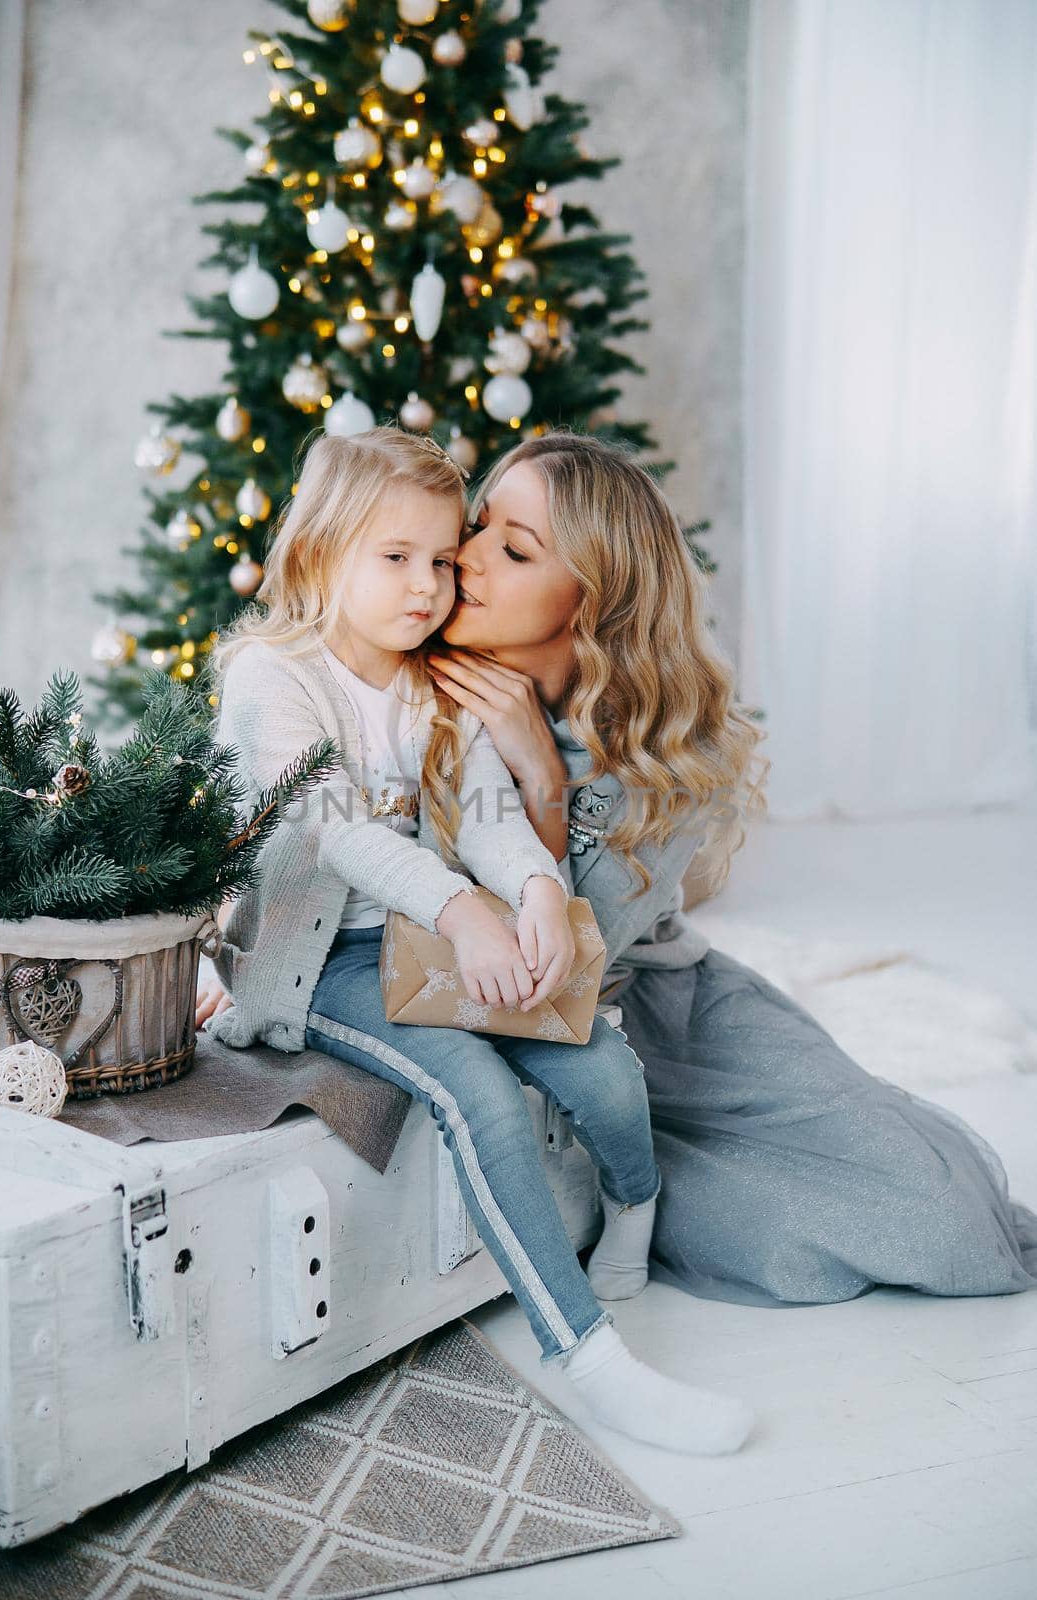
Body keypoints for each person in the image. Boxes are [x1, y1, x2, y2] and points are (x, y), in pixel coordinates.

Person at [200, 425, 755, 1457]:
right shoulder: (273, 681)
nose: (429, 585)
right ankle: (590, 1362)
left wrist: (538, 892)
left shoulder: (423, 680)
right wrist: (465, 911)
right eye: (394, 558)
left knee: (593, 1057)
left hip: (418, 940)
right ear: (322, 554)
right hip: (314, 965)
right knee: (477, 1089)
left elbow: (488, 808)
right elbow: (337, 831)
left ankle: (634, 1203)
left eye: (442, 559)